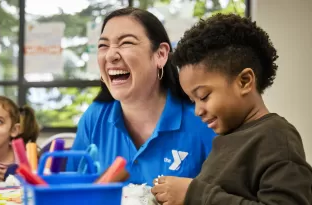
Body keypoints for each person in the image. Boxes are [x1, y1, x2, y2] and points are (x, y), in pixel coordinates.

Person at [151, 13, 312, 205]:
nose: (197, 110)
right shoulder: (226, 140)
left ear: (244, 81)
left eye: (203, 96)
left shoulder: (276, 137)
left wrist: (193, 194)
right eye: (193, 101)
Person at [66, 7, 215, 186]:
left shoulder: (202, 119)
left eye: (126, 43)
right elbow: (70, 188)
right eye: (103, 45)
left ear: (160, 55)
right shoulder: (95, 117)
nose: (111, 55)